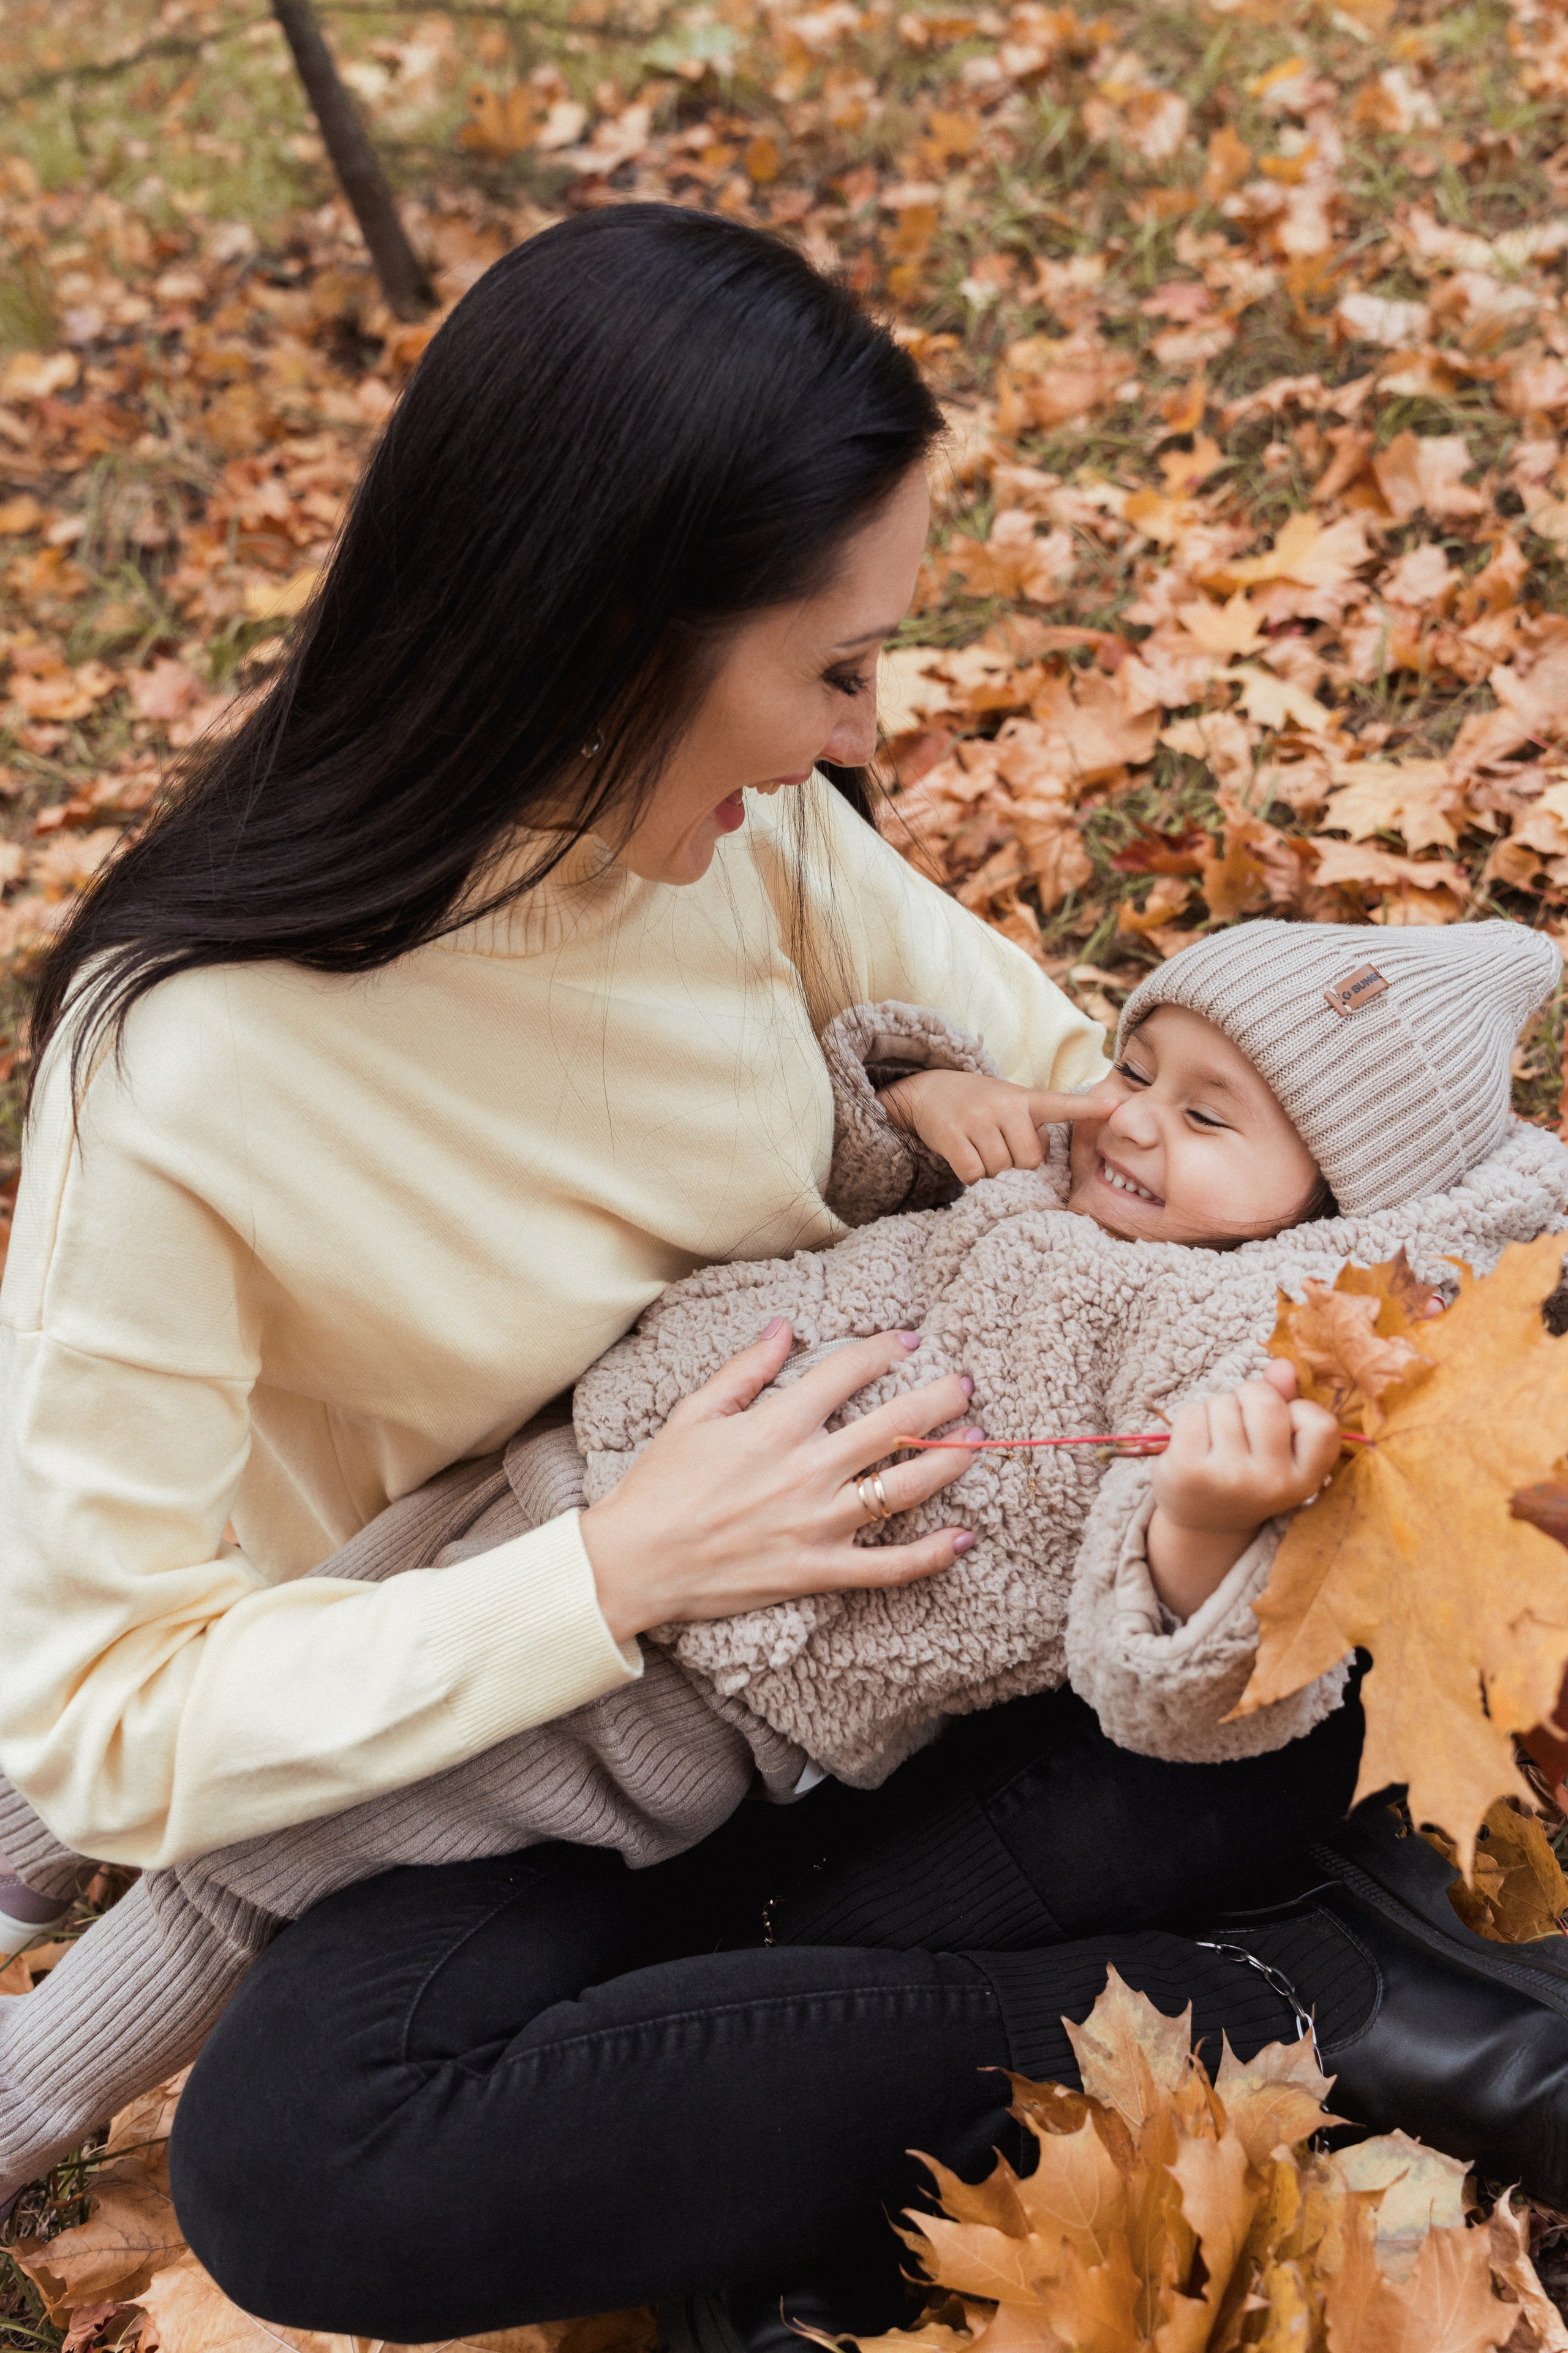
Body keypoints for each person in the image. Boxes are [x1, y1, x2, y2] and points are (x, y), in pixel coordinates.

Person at [0, 203, 1564, 2343]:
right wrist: (613, 1570)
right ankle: (1306, 1993)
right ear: (613, 631)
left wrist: (1351, 1325)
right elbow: (98, 1715)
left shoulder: (748, 835)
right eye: (832, 668)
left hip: (910, 1664)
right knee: (300, 2162)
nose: (857, 739)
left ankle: (804, 2084)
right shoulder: (186, 1074)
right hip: (520, 1724)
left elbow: (1093, 1106)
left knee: (1284, 1633)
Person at [3, 919, 1565, 2219]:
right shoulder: (1070, 1172)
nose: (1134, 1119)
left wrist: (1203, 1527)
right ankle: (24, 1854)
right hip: (558, 1480)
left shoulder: (1225, 1350)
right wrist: (923, 1095)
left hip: (676, 1683)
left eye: (1208, 1117)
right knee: (237, 1661)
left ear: (1335, 1200)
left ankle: (26, 2100)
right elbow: (845, 1171)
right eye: (1136, 1065)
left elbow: (1171, 1678)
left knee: (255, 1840)